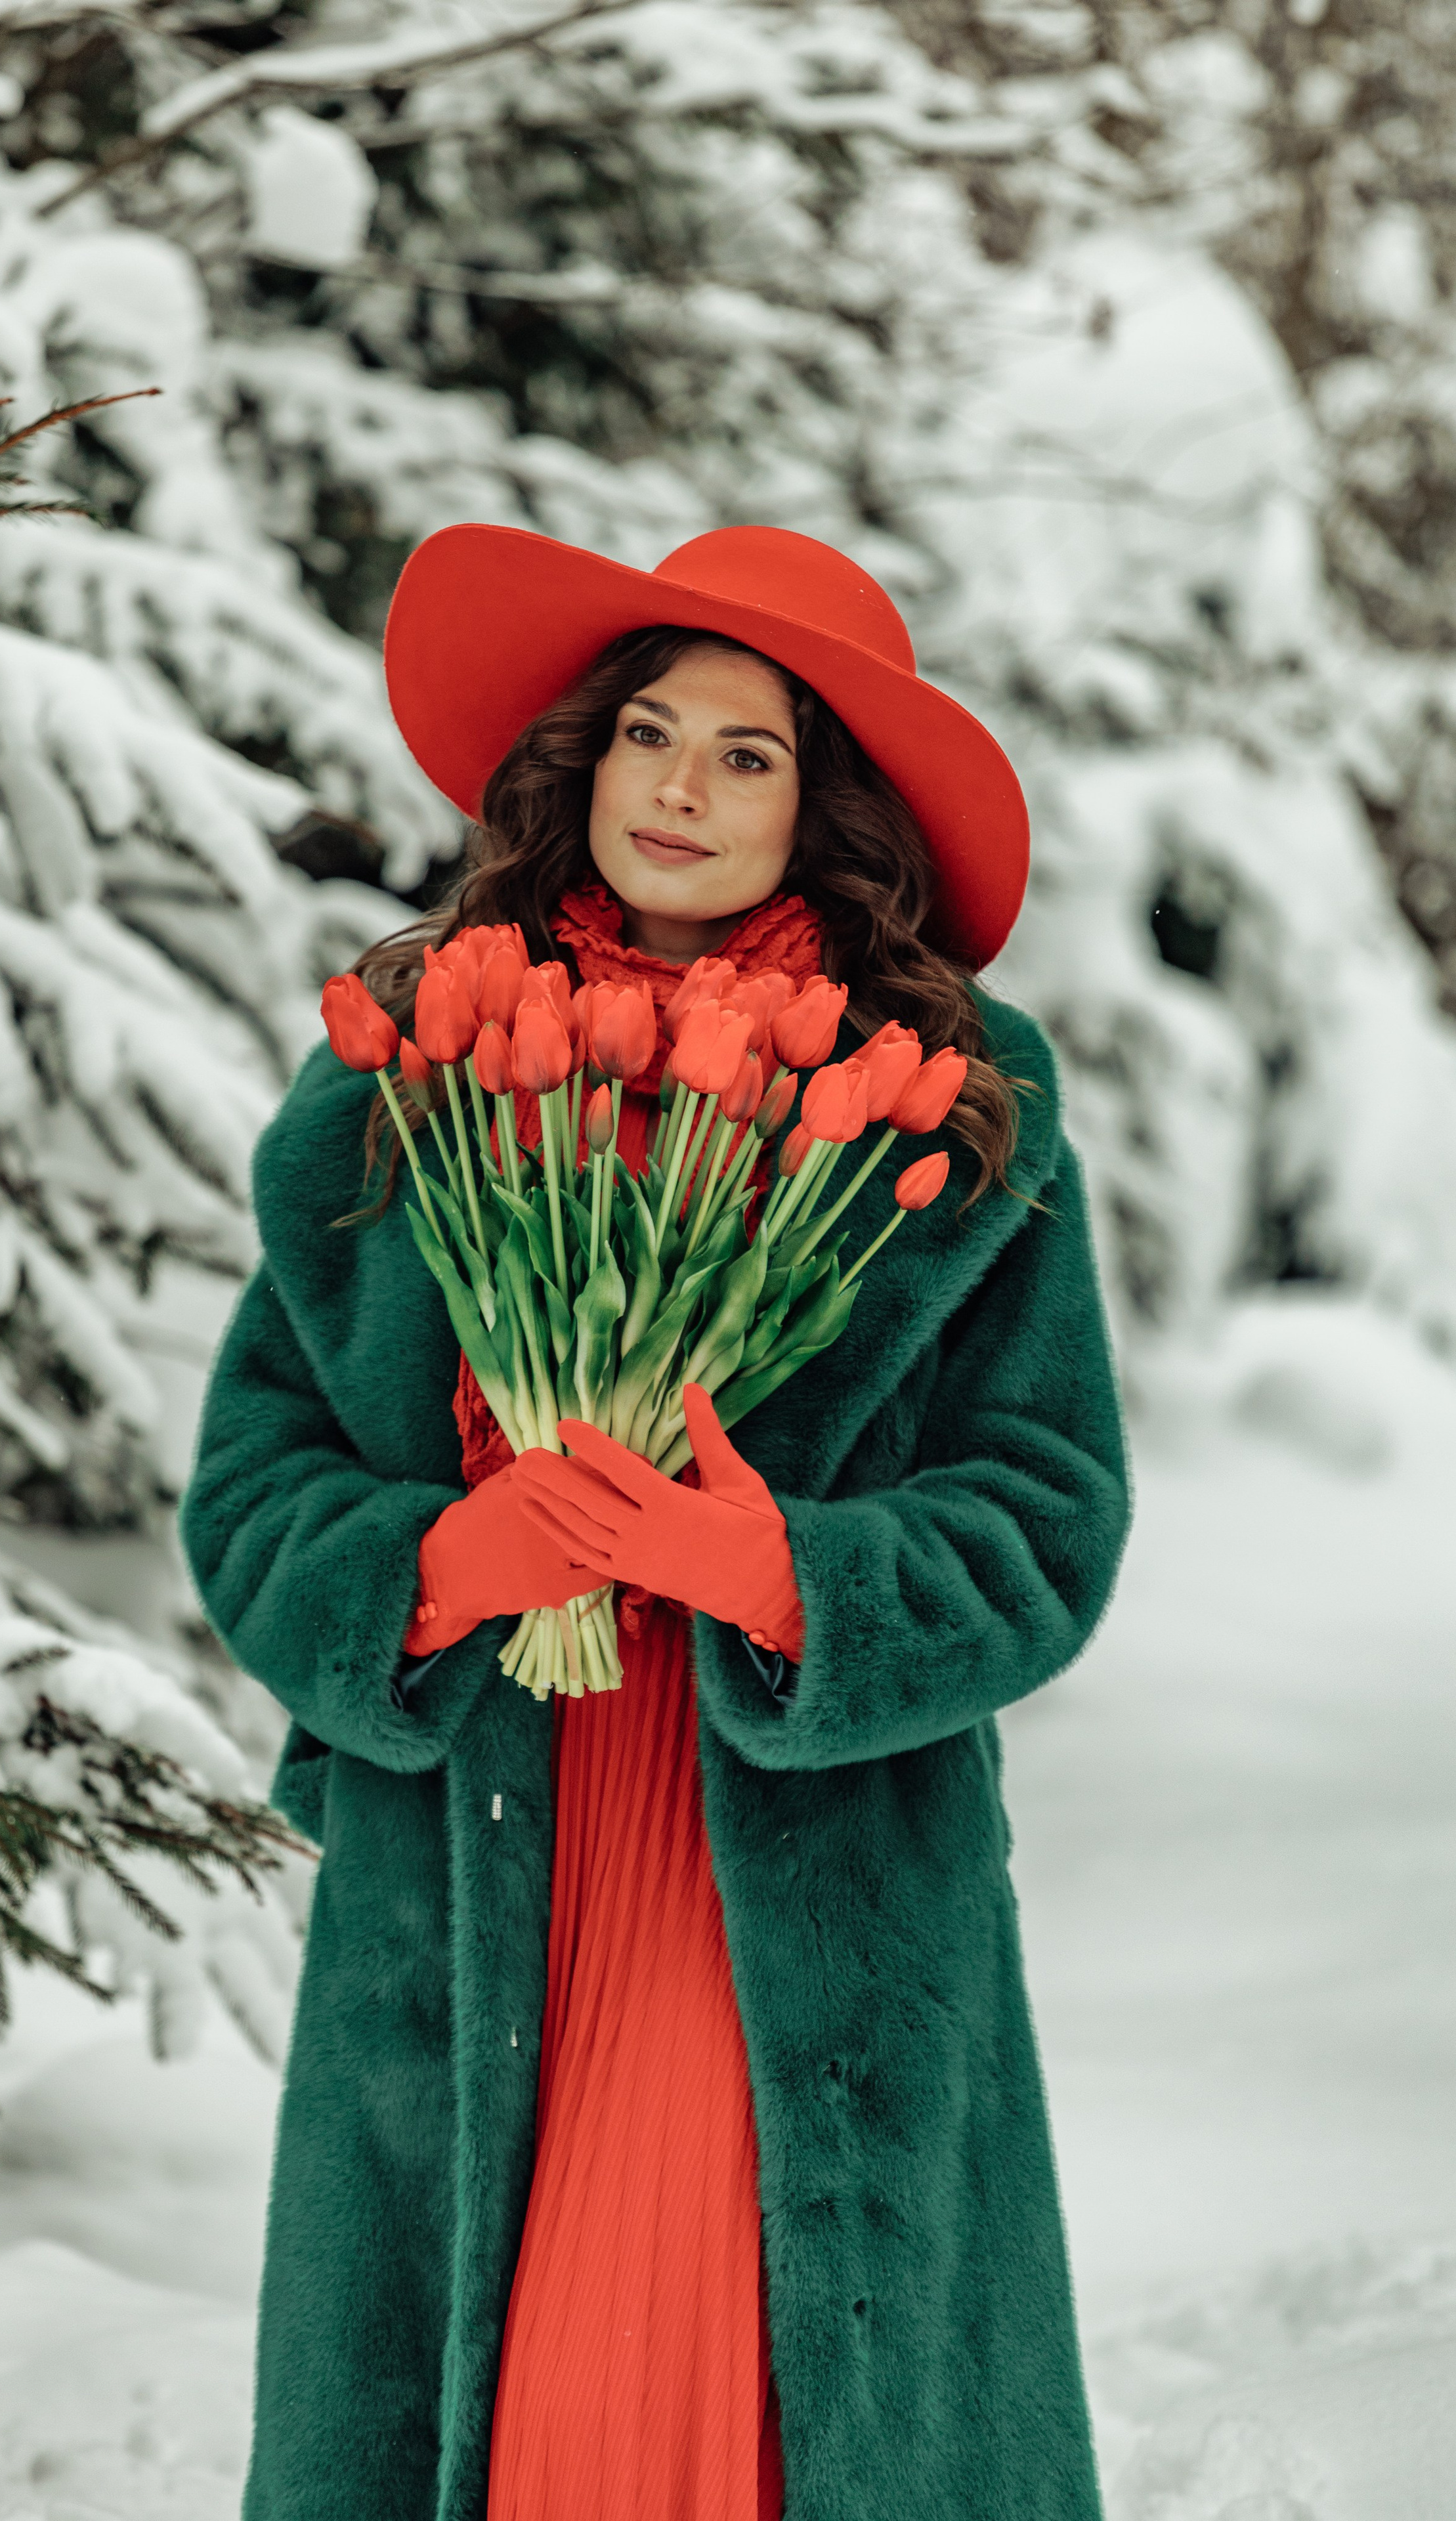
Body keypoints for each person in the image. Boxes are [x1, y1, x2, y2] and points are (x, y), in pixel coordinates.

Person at [180, 524, 1131, 2521]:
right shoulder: (411, 1073)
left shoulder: (953, 1106)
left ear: (832, 809)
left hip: (797, 1886)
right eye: (646, 731)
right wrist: (444, 1570)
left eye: (749, 754)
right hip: (470, 1857)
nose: (680, 787)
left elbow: (1050, 1518)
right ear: (581, 763)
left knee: (723, 2389)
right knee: (479, 2395)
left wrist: (779, 1573)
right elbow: (257, 1481)